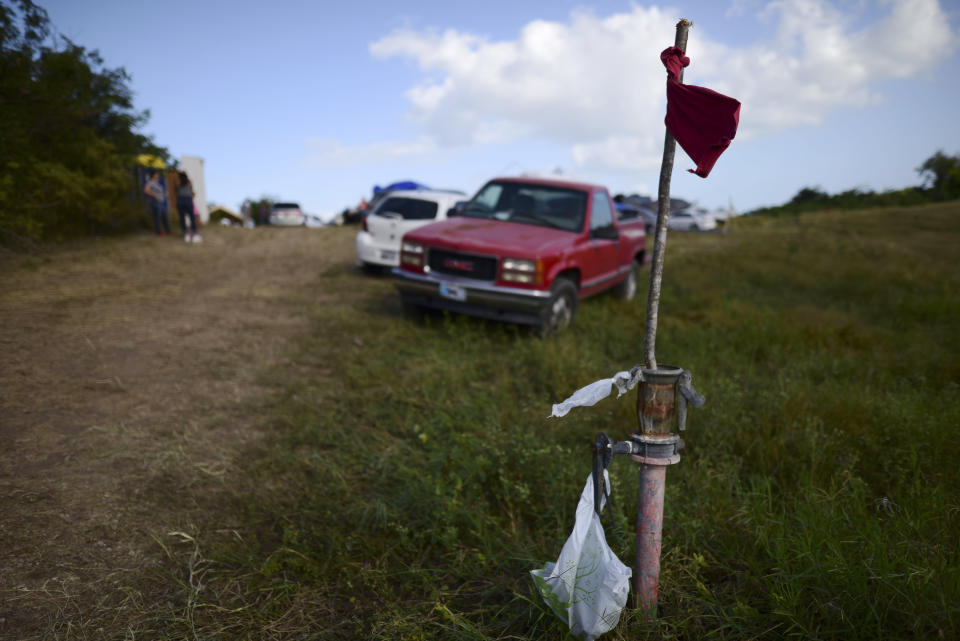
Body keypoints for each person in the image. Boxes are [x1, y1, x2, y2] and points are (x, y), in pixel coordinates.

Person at [176, 171, 200, 242]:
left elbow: (178, 188)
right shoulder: (186, 181)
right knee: (190, 216)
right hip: (186, 199)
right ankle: (192, 230)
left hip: (183, 199)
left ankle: (186, 231)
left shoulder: (182, 181)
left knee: (184, 217)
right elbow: (191, 189)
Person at [144, 171, 169, 236]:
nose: (158, 175)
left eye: (158, 174)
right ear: (153, 175)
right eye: (156, 174)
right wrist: (154, 196)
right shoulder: (150, 182)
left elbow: (159, 192)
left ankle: (168, 231)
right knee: (157, 217)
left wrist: (164, 194)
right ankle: (158, 232)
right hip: (155, 202)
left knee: (164, 216)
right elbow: (146, 190)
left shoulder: (157, 183)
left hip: (161, 201)